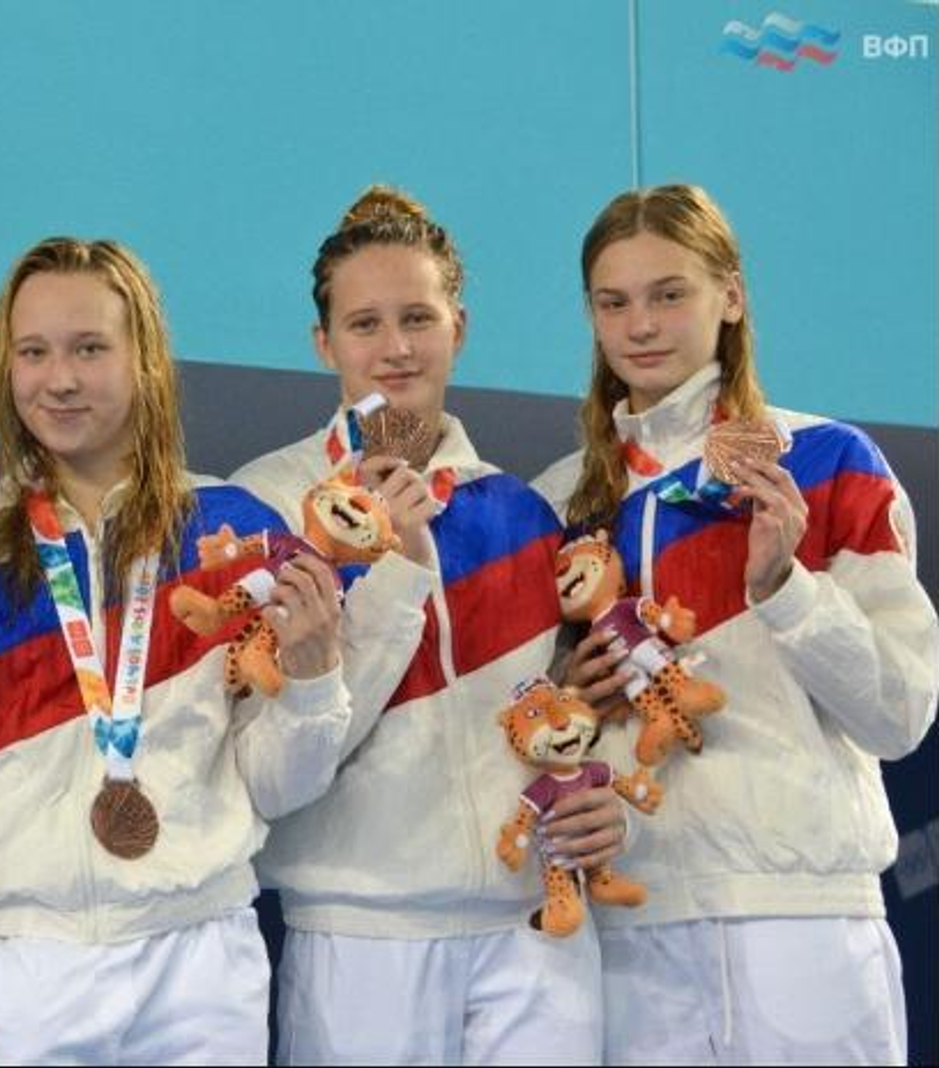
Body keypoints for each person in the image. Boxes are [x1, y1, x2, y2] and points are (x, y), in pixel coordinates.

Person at [0, 236, 412, 1066]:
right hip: (23, 961)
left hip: (201, 961)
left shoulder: (234, 531)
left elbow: (277, 788)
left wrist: (310, 676)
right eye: (34, 352)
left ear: (146, 360)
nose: (60, 379)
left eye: (90, 348)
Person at [533, 182, 939, 1064]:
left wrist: (785, 587)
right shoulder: (560, 502)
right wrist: (570, 697)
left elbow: (900, 714)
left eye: (669, 293)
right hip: (633, 929)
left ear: (732, 295)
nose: (642, 325)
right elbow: (536, 733)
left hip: (800, 921)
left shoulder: (828, 463)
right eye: (614, 302)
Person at [234, 185, 630, 1064]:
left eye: (418, 317)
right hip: (363, 938)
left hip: (536, 932)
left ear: (459, 326)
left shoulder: (523, 513)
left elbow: (568, 718)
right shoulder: (269, 504)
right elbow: (271, 772)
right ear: (323, 342)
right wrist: (400, 572)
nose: (397, 348)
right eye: (365, 324)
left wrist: (608, 796)